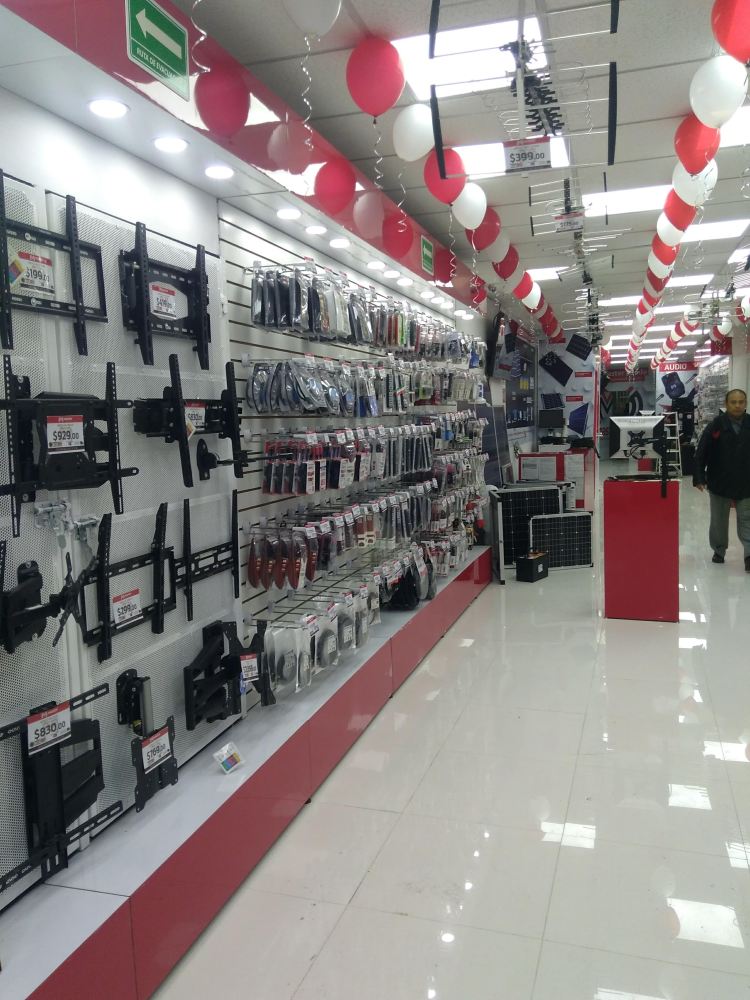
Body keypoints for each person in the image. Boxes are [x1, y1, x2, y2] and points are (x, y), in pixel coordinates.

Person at [693, 388, 750, 569]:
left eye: (741, 402)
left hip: (746, 482)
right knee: (719, 521)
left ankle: (749, 555)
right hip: (719, 480)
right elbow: (701, 452)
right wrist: (699, 477)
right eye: (733, 402)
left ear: (746, 403)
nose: (737, 405)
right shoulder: (716, 425)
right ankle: (719, 550)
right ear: (726, 404)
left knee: (747, 519)